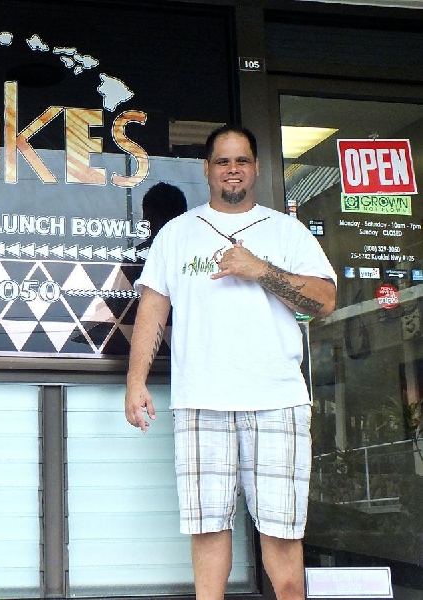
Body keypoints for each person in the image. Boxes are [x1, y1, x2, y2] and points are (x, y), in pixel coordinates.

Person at [125, 124, 337, 600]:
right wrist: (136, 382)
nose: (233, 169)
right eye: (223, 161)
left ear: (256, 168)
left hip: (277, 401)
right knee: (207, 528)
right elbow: (152, 311)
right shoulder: (177, 234)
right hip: (201, 400)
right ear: (207, 170)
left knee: (282, 531)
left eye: (242, 160)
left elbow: (323, 301)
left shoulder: (286, 230)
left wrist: (259, 269)